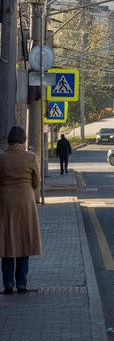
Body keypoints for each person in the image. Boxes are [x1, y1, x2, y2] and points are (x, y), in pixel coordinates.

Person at [0, 125, 42, 294]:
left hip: (5, 203)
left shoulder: (1, 158)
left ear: (9, 141)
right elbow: (37, 183)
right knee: (24, 242)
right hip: (26, 203)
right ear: (24, 141)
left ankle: (8, 284)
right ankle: (22, 284)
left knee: (7, 243)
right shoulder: (31, 158)